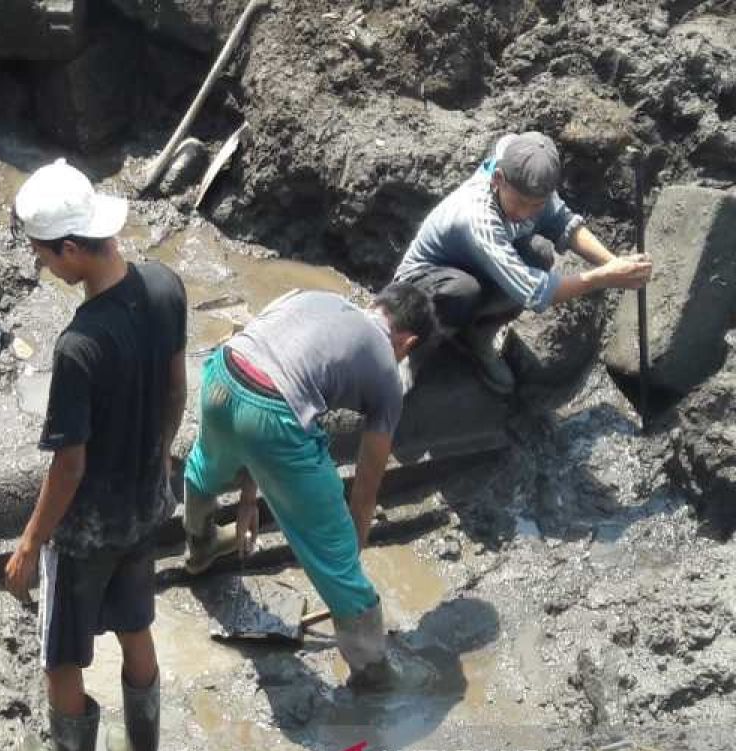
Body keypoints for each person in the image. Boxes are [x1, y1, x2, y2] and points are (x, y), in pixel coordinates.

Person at [4, 159, 187, 751]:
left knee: (61, 656)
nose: (46, 267)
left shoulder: (78, 347)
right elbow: (175, 390)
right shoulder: (165, 286)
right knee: (136, 624)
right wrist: (158, 460)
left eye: (46, 257)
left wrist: (31, 541)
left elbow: (69, 464)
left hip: (85, 532)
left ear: (73, 248)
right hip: (144, 505)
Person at [183, 285, 434, 689]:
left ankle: (200, 545)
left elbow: (256, 373)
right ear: (408, 341)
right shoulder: (388, 373)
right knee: (335, 555)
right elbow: (368, 480)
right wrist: (351, 546)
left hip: (222, 374)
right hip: (271, 411)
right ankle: (373, 671)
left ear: (375, 306)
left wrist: (250, 494)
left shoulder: (310, 296)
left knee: (204, 468)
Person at [393, 131, 653, 393]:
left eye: (536, 205)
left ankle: (476, 336)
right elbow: (534, 292)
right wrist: (606, 277)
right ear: (498, 179)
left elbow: (564, 222)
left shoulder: (530, 177)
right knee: (462, 290)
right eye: (519, 202)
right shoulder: (476, 217)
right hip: (421, 285)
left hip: (476, 266)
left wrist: (616, 263)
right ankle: (412, 353)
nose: (525, 213)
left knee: (539, 253)